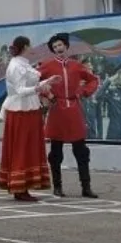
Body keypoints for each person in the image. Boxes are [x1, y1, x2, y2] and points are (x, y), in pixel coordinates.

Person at [37, 32, 101, 198]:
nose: (58, 48)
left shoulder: (76, 65)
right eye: (55, 46)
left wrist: (83, 92)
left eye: (60, 45)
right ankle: (57, 187)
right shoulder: (47, 65)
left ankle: (86, 187)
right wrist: (46, 94)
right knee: (56, 152)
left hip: (73, 109)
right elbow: (35, 81)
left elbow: (93, 80)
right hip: (56, 110)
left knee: (81, 151)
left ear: (66, 46)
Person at [0, 36, 58, 202]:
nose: (32, 47)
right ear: (25, 47)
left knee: (30, 146)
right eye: (29, 45)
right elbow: (20, 90)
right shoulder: (16, 66)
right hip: (20, 109)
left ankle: (24, 184)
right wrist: (39, 87)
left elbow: (31, 85)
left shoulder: (23, 64)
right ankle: (19, 186)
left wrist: (48, 81)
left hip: (29, 108)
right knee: (22, 146)